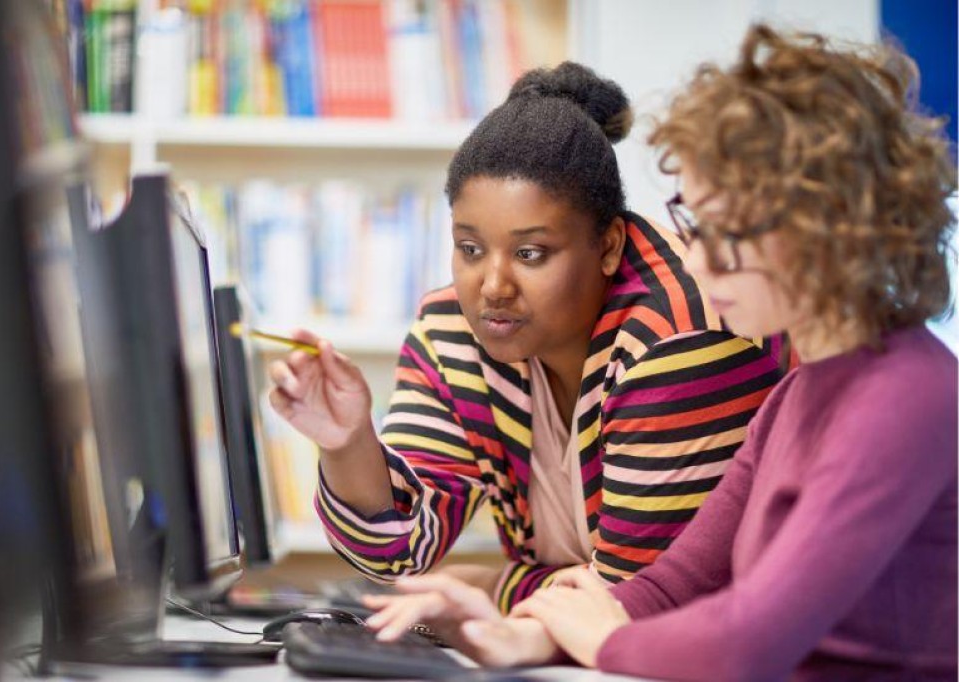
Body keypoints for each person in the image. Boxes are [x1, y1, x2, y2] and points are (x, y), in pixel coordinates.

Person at [363, 24, 959, 681]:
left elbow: (745, 641)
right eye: (692, 224)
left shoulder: (906, 397)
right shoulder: (799, 395)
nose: (694, 262)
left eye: (724, 233)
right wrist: (521, 636)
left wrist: (597, 641)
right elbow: (669, 588)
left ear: (825, 229)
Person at [268, 62, 786, 616]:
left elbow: (636, 608)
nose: (492, 286)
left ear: (609, 246)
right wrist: (348, 444)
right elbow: (397, 552)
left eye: (530, 253)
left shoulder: (678, 339)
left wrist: (489, 587)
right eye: (470, 248)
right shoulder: (454, 330)